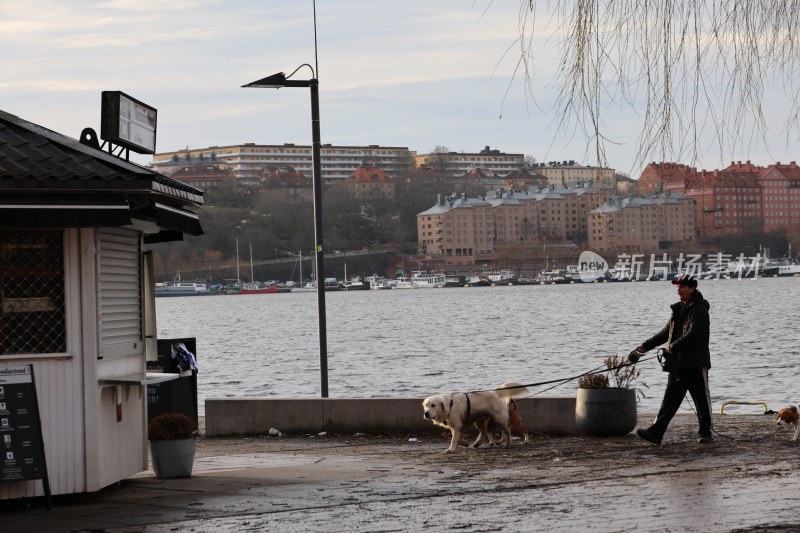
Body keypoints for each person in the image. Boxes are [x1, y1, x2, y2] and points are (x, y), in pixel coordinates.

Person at [628, 273, 713, 444]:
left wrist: (672, 347)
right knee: (669, 401)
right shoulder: (678, 309)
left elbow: (694, 334)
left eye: (682, 287)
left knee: (701, 400)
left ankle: (706, 433)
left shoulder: (700, 310)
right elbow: (665, 333)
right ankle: (656, 433)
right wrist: (644, 346)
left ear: (692, 288)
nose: (678, 290)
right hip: (677, 364)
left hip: (696, 363)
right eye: (677, 287)